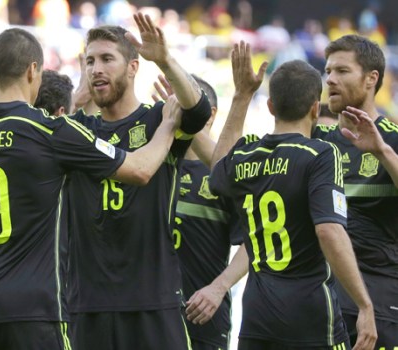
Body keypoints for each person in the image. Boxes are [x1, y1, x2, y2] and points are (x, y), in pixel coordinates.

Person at [0, 27, 182, 350]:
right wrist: (167, 126)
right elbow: (139, 169)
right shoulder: (53, 132)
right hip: (36, 309)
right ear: (33, 71)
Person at [209, 41, 377, 349]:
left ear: (271, 106)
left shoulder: (246, 154)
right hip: (310, 314)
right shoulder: (321, 154)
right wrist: (365, 305)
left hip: (257, 314)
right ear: (316, 108)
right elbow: (328, 230)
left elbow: (216, 172)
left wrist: (242, 95)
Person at [66, 13, 211, 350]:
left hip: (153, 301)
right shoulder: (77, 131)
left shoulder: (158, 119)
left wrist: (164, 59)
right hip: (89, 305)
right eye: (89, 61)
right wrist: (76, 98)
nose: (96, 69)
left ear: (133, 67)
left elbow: (199, 111)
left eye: (106, 59)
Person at [312, 34, 398, 349]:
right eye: (328, 71)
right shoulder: (313, 141)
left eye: (342, 71)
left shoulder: (393, 139)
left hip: (378, 303)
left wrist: (382, 153)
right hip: (316, 299)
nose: (330, 79)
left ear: (371, 79)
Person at [153, 74, 248, 350]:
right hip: (150, 315)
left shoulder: (225, 175)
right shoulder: (151, 163)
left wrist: (218, 288)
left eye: (185, 105)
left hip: (202, 318)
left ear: (211, 114)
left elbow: (253, 241)